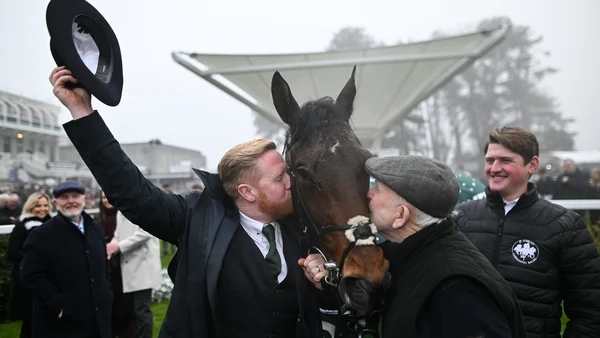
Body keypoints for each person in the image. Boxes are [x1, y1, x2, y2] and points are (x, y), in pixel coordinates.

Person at [48, 66, 326, 338]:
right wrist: (81, 110)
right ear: (247, 192)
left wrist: (322, 278)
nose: (291, 181)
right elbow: (130, 190)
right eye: (280, 178)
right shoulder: (197, 219)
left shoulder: (300, 225)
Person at [307, 155, 527, 338]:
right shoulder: (411, 257)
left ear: (400, 216)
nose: (368, 194)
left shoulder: (457, 290)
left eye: (379, 190)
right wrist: (331, 275)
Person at [455, 127, 600, 338]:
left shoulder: (564, 225)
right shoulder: (462, 218)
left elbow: (590, 310)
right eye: (489, 160)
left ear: (532, 164)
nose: (494, 168)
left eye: (505, 160)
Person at [20, 181, 112, 338]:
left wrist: (107, 294)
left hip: (98, 321)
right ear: (55, 203)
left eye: (76, 196)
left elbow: (104, 266)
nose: (71, 201)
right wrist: (59, 305)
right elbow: (31, 276)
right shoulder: (41, 235)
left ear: (84, 199)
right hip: (62, 324)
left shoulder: (94, 228)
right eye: (64, 197)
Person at [106, 211, 162, 338]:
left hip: (143, 267)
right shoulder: (121, 210)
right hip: (128, 267)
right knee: (133, 312)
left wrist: (119, 246)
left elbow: (146, 232)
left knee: (142, 311)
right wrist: (111, 246)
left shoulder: (145, 206)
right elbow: (118, 234)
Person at [6, 192, 52, 338]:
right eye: (38, 205)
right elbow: (12, 253)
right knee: (30, 324)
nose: (42, 209)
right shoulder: (21, 226)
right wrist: (35, 256)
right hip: (27, 283)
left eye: (45, 205)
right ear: (30, 206)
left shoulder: (54, 225)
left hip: (50, 281)